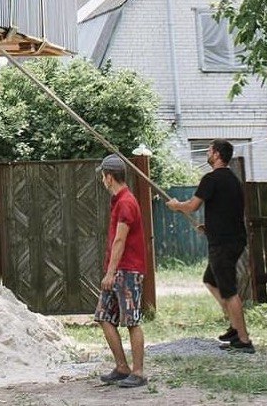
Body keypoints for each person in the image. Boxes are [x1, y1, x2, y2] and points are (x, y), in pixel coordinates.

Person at [166, 140, 254, 352]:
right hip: (232, 239)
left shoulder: (211, 179)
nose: (207, 153)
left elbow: (192, 206)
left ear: (216, 155)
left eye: (209, 150)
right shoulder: (233, 180)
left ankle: (244, 340)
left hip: (223, 244)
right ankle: (234, 326)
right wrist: (210, 226)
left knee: (229, 290)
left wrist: (177, 206)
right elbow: (227, 210)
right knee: (210, 280)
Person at [94, 154, 148, 389]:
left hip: (127, 271)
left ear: (109, 177)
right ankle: (122, 367)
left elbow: (120, 240)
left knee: (132, 321)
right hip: (117, 269)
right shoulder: (118, 200)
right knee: (104, 317)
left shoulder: (126, 202)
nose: (102, 180)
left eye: (103, 176)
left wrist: (110, 272)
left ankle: (138, 372)